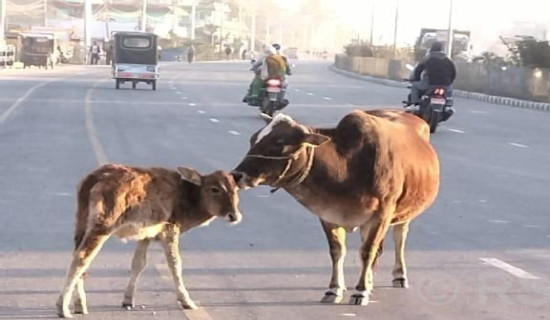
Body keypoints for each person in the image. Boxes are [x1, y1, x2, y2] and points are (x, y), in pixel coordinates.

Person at [407, 41, 456, 107]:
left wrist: (416, 79)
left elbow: (418, 70)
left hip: (430, 84)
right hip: (445, 85)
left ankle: (415, 101)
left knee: (415, 86)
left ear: (432, 48)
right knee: (450, 90)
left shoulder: (427, 58)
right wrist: (449, 82)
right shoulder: (448, 60)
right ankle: (449, 102)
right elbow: (453, 72)